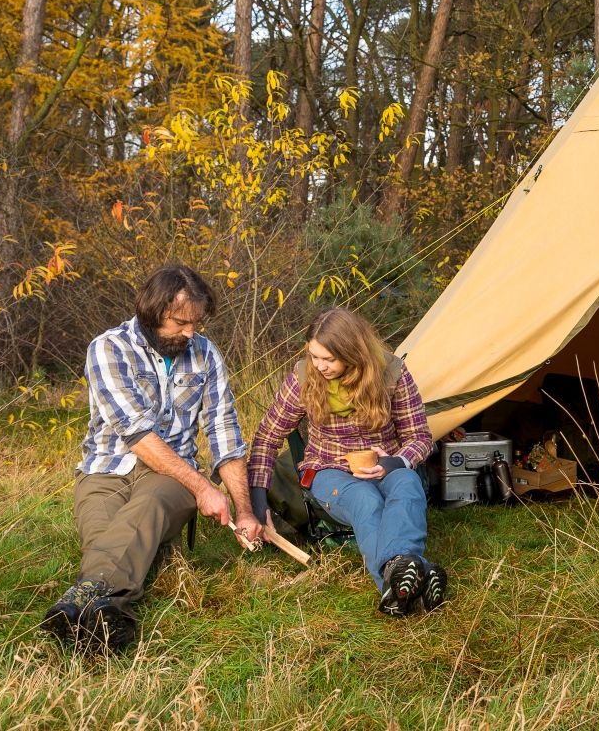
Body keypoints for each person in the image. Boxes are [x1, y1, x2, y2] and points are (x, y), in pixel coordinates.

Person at [42, 264, 264, 653]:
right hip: (106, 469)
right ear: (151, 312)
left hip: (172, 477)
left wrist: (241, 509)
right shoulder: (108, 348)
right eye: (180, 322)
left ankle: (79, 604)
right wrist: (205, 489)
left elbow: (224, 432)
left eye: (197, 322)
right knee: (106, 536)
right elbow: (137, 436)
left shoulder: (206, 355)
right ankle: (104, 621)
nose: (190, 332)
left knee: (148, 508)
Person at [247, 307, 443, 617]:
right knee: (364, 499)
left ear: (353, 353)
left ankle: (400, 582)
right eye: (314, 356)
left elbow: (420, 437)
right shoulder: (304, 378)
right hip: (329, 469)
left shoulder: (391, 373)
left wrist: (394, 463)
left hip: (385, 465)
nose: (319, 366)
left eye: (329, 359)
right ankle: (413, 578)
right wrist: (256, 504)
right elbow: (266, 437)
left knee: (407, 483)